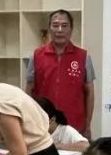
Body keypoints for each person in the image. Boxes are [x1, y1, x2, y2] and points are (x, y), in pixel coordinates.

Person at [26, 10, 96, 138]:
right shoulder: (36, 56)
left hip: (74, 127)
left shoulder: (83, 56)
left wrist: (88, 126)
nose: (59, 30)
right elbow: (29, 91)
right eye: (55, 25)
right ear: (49, 29)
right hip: (43, 126)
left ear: (71, 29)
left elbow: (90, 93)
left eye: (64, 25)